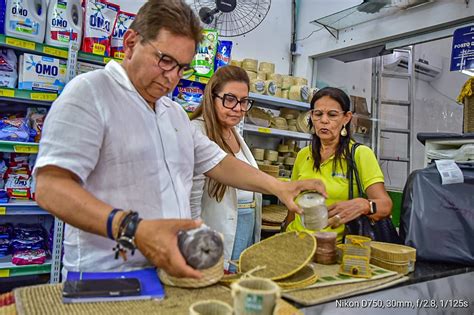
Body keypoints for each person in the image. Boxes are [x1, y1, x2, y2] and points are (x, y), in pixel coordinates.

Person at [33, 0, 326, 279]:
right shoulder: (90, 93)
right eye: (165, 60)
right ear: (131, 43)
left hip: (169, 268)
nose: (172, 77)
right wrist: (134, 229)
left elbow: (219, 162)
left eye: (182, 67)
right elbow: (50, 187)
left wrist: (280, 186)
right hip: (107, 274)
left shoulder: (171, 112)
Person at [284, 87, 392, 243]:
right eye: (318, 114)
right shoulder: (303, 155)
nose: (324, 120)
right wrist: (284, 238)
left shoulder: (360, 154)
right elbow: (292, 206)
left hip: (333, 248)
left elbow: (385, 206)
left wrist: (364, 205)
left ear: (346, 118)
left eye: (332, 115)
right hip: (296, 243)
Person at [190, 66, 261, 272]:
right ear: (212, 97)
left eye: (244, 101)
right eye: (229, 99)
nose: (238, 108)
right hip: (215, 231)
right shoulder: (197, 131)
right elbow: (191, 201)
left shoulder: (233, 133)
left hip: (244, 228)